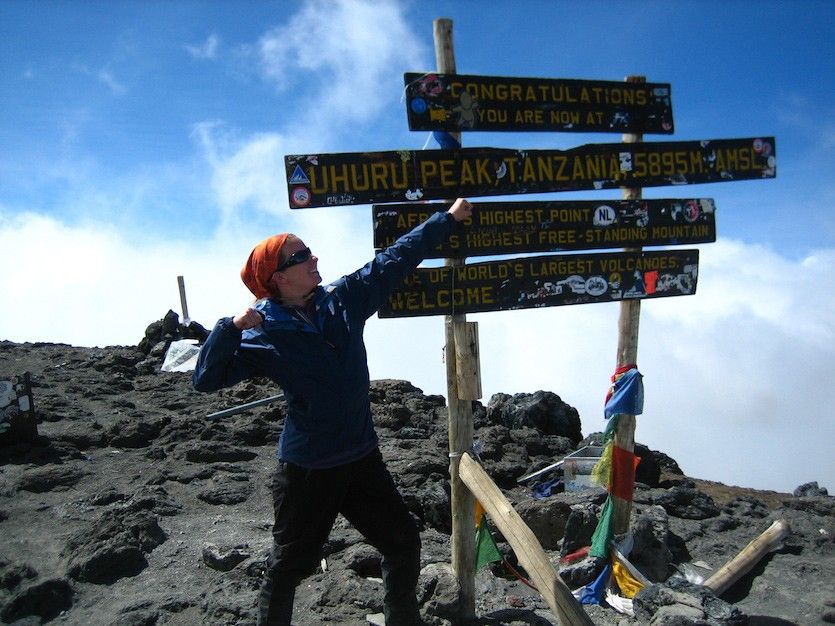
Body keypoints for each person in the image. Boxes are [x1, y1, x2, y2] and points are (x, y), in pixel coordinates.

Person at [193, 198, 473, 626]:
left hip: (361, 457)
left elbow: (393, 261)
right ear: (278, 277)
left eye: (310, 251)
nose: (314, 258)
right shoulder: (262, 332)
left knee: (402, 542)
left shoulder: (342, 300)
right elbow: (207, 379)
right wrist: (228, 329)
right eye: (301, 256)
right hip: (308, 470)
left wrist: (446, 220)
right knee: (289, 566)